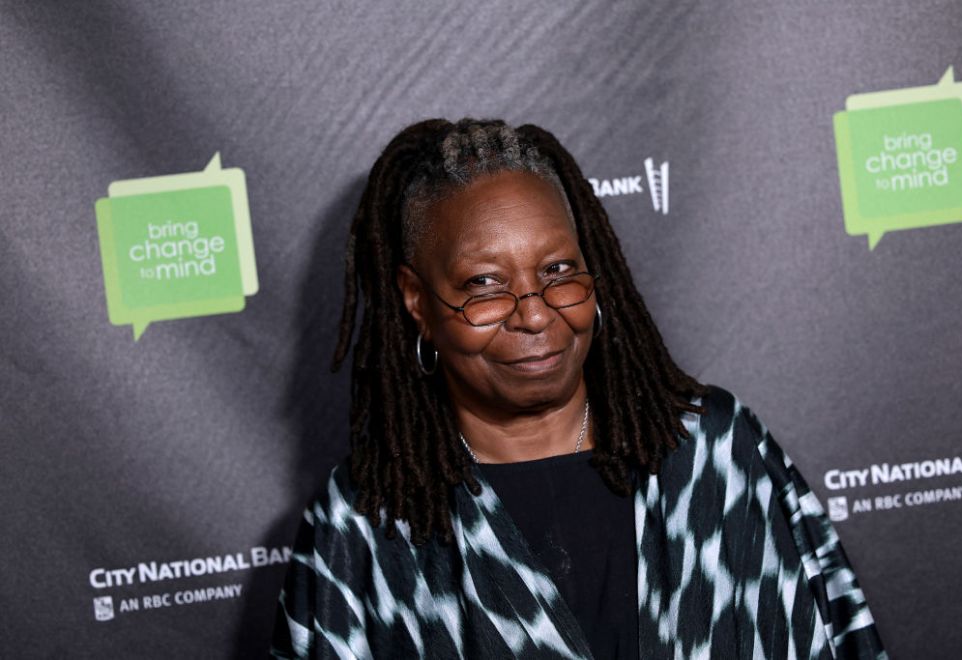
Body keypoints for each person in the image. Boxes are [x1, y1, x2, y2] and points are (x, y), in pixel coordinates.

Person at [270, 118, 886, 659]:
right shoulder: (370, 517)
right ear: (416, 301)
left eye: (558, 271)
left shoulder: (716, 455)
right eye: (485, 284)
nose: (535, 315)